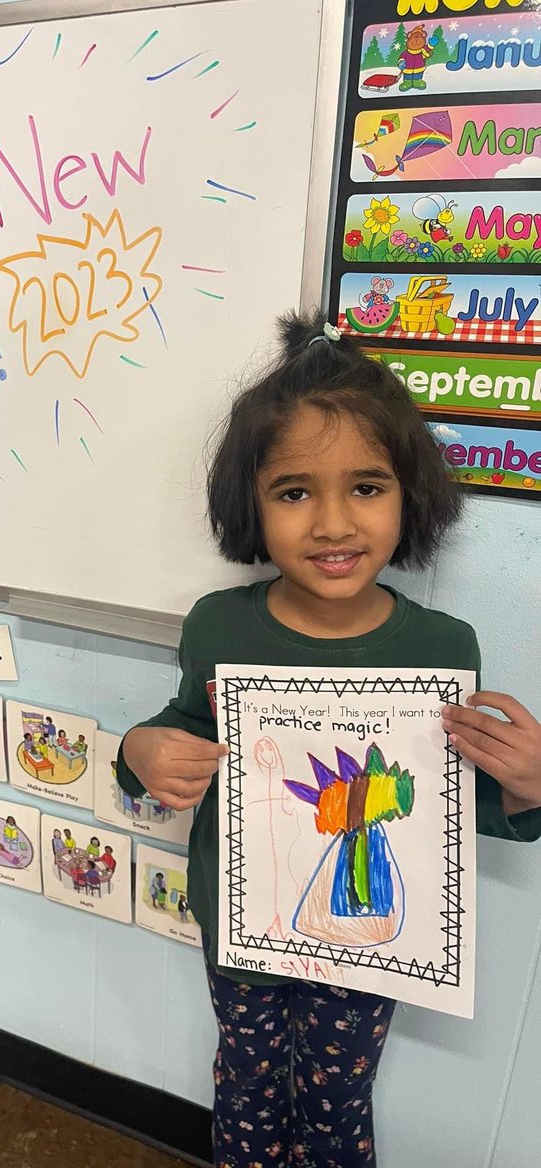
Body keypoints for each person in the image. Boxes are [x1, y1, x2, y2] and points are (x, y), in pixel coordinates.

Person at [116, 313, 541, 1168]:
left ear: (409, 495)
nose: (333, 524)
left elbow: (444, 800)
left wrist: (529, 789)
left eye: (368, 487)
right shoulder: (217, 626)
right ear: (253, 503)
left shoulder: (442, 648)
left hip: (371, 930)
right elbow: (182, 736)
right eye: (295, 491)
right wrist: (137, 750)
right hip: (241, 928)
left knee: (340, 1099)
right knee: (246, 1082)